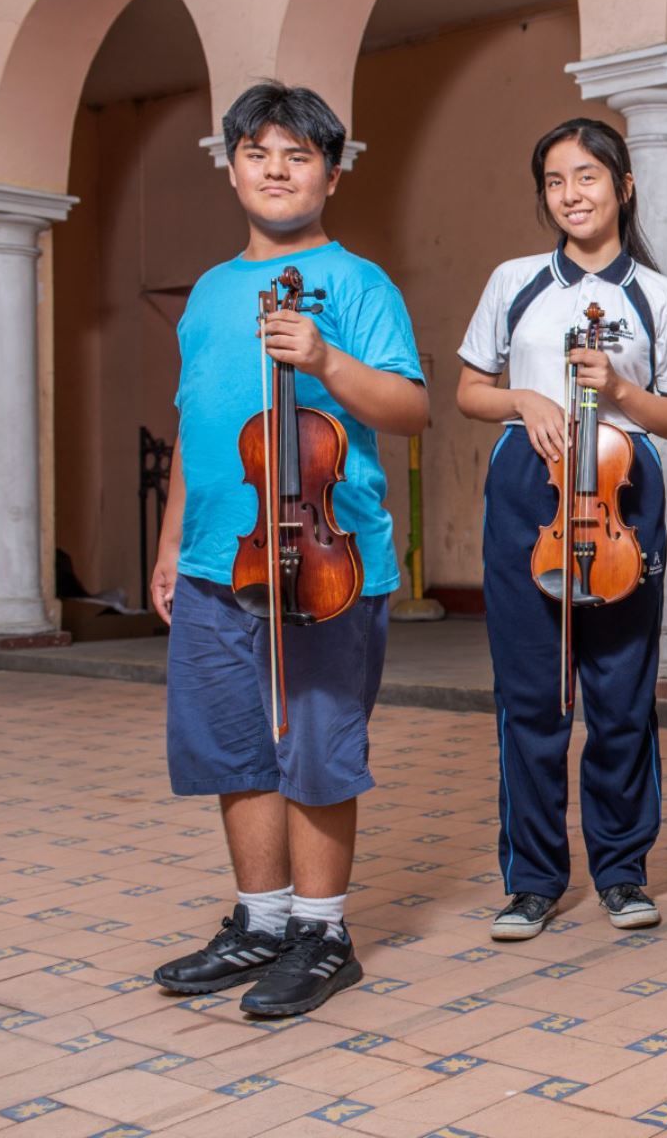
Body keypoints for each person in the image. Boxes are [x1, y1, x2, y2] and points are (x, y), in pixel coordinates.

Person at [149, 81, 428, 1016]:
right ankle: (260, 923)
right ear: (231, 169)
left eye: (298, 155)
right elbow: (196, 427)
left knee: (315, 746)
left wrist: (325, 359)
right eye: (258, 153)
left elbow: (411, 409)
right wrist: (167, 547)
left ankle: (322, 933)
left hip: (325, 563)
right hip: (213, 566)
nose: (277, 170)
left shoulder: (357, 283)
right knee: (234, 748)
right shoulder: (210, 293)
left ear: (333, 173)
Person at [456, 119, 667, 939]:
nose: (573, 194)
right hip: (529, 488)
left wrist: (624, 394)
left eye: (589, 176)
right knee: (531, 699)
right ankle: (531, 879)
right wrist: (524, 398)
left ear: (623, 186)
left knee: (621, 696)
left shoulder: (658, 296)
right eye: (557, 181)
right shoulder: (515, 281)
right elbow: (467, 391)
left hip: (622, 488)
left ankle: (623, 872)